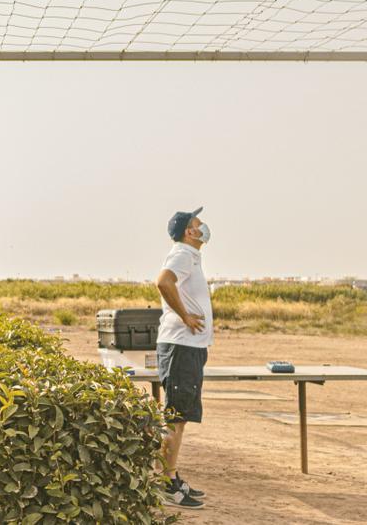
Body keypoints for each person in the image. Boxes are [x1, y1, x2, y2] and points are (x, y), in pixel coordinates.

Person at [154, 206, 212, 510]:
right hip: (180, 347)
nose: (203, 226)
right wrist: (185, 316)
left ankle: (172, 476)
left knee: (180, 418)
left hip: (189, 348)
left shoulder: (191, 257)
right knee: (174, 418)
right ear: (189, 232)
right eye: (198, 222)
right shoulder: (181, 254)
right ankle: (164, 484)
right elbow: (163, 282)